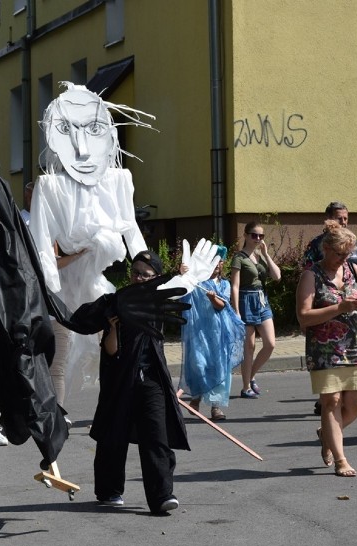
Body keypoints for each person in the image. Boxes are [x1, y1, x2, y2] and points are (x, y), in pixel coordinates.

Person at [29, 82, 150, 400]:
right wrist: (51, 296)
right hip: (66, 291)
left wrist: (151, 278)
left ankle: (123, 402)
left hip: (98, 283)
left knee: (114, 346)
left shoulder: (118, 180)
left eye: (93, 129)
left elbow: (131, 229)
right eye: (69, 132)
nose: (81, 148)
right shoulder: (50, 188)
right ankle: (57, 410)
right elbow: (41, 245)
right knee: (64, 353)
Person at [89, 250, 188, 513]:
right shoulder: (118, 301)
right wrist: (111, 329)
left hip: (152, 379)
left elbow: (181, 288)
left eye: (145, 274)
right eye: (135, 272)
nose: (138, 278)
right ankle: (110, 490)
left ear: (155, 277)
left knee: (156, 435)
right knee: (114, 434)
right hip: (120, 378)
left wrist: (184, 274)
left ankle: (161, 496)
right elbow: (110, 351)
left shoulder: (159, 302)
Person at [296, 221, 357, 477]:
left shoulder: (354, 270)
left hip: (356, 347)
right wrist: (339, 308)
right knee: (331, 401)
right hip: (324, 350)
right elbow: (304, 317)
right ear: (325, 248)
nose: (343, 259)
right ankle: (340, 459)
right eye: (338, 254)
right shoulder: (311, 275)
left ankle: (327, 434)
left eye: (347, 254)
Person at [179, 245, 245, 421]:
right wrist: (183, 276)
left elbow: (222, 305)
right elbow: (181, 294)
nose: (216, 264)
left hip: (219, 334)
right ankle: (196, 397)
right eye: (212, 261)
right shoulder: (196, 282)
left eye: (219, 261)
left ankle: (216, 406)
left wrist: (212, 298)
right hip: (198, 333)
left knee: (219, 368)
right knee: (199, 365)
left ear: (223, 264)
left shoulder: (224, 284)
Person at [230, 221, 281, 398]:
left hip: (261, 300)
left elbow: (277, 276)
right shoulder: (239, 257)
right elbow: (234, 286)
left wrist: (266, 254)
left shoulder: (260, 257)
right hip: (245, 299)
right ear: (245, 236)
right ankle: (245, 388)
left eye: (261, 236)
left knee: (270, 343)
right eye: (254, 235)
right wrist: (236, 310)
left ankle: (250, 376)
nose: (258, 238)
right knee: (249, 346)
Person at [303, 201, 357, 269]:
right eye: (339, 218)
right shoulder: (316, 244)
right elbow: (306, 270)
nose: (343, 222)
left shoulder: (354, 244)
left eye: (345, 218)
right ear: (329, 219)